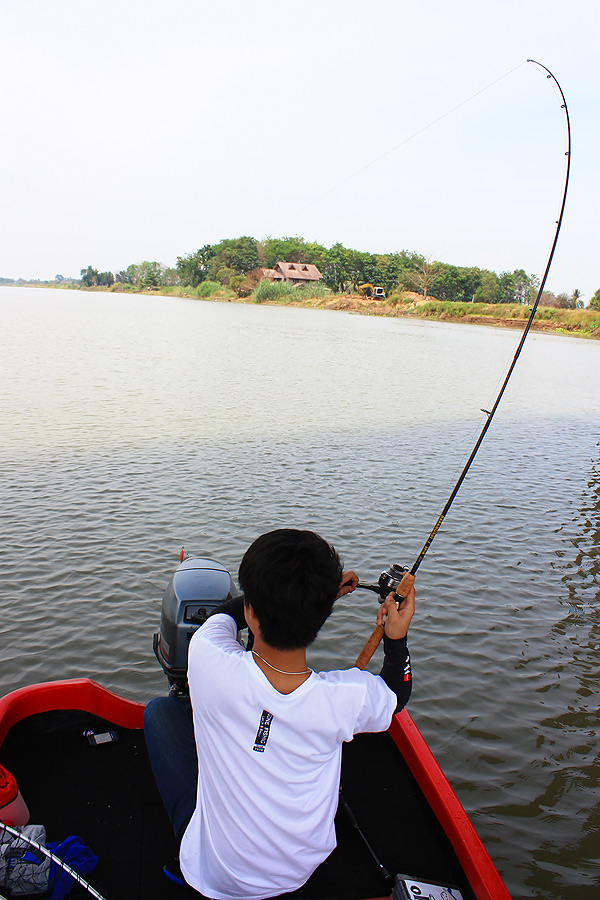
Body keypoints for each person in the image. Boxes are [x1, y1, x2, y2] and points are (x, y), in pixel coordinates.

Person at [144, 528, 414, 900]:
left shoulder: (206, 656)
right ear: (321, 618)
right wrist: (396, 637)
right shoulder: (346, 698)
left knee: (160, 712)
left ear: (251, 610)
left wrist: (297, 595)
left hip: (214, 873)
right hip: (296, 873)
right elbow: (396, 693)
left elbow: (223, 616)